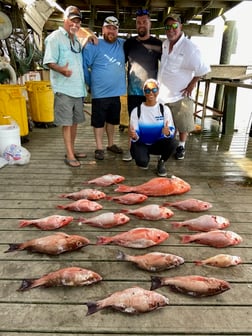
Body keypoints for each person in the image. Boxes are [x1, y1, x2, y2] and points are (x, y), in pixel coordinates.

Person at [158, 14, 210, 160]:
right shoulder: (165, 43)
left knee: (183, 124)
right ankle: (170, 144)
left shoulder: (190, 47)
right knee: (169, 123)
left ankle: (181, 146)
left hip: (180, 95)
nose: (171, 30)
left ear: (181, 27)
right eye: (168, 27)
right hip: (163, 95)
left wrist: (191, 85)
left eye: (174, 26)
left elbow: (203, 69)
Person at [43, 6, 89, 167]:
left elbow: (86, 34)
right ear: (65, 19)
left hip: (77, 89)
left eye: (78, 21)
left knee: (75, 122)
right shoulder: (55, 37)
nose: (75, 24)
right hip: (64, 89)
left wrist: (91, 37)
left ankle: (72, 150)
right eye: (72, 20)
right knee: (67, 124)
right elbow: (48, 61)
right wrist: (61, 70)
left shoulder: (75, 38)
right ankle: (69, 155)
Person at [82, 16, 126, 160]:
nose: (111, 31)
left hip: (116, 92)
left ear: (118, 31)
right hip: (99, 93)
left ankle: (111, 144)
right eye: (108, 28)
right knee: (99, 121)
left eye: (114, 29)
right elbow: (84, 65)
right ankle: (99, 147)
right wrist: (90, 83)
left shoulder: (122, 44)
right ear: (102, 29)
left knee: (112, 121)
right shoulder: (94, 44)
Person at [122, 8, 162, 161]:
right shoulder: (129, 43)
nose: (141, 25)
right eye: (139, 22)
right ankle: (131, 149)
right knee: (133, 121)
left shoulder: (158, 44)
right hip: (133, 90)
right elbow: (120, 63)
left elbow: (168, 65)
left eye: (144, 22)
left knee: (153, 121)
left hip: (151, 91)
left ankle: (155, 150)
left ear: (150, 24)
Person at [129, 79, 177, 177]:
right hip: (142, 143)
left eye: (154, 90)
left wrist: (167, 133)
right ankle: (144, 157)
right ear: (144, 92)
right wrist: (134, 136)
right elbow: (135, 133)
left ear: (158, 91)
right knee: (142, 163)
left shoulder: (164, 109)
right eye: (147, 90)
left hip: (158, 143)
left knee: (173, 142)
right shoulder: (136, 110)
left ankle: (162, 161)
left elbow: (171, 130)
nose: (151, 93)